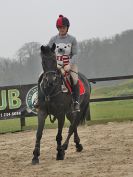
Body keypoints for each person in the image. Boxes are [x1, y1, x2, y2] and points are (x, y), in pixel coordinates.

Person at [48, 15, 80, 112]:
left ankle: (76, 102)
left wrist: (69, 64)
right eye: (60, 27)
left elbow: (75, 54)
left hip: (69, 64)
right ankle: (39, 99)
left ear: (67, 28)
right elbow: (49, 54)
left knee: (74, 79)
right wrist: (55, 65)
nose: (62, 29)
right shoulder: (53, 39)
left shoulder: (72, 39)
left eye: (63, 27)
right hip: (56, 64)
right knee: (41, 75)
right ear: (57, 28)